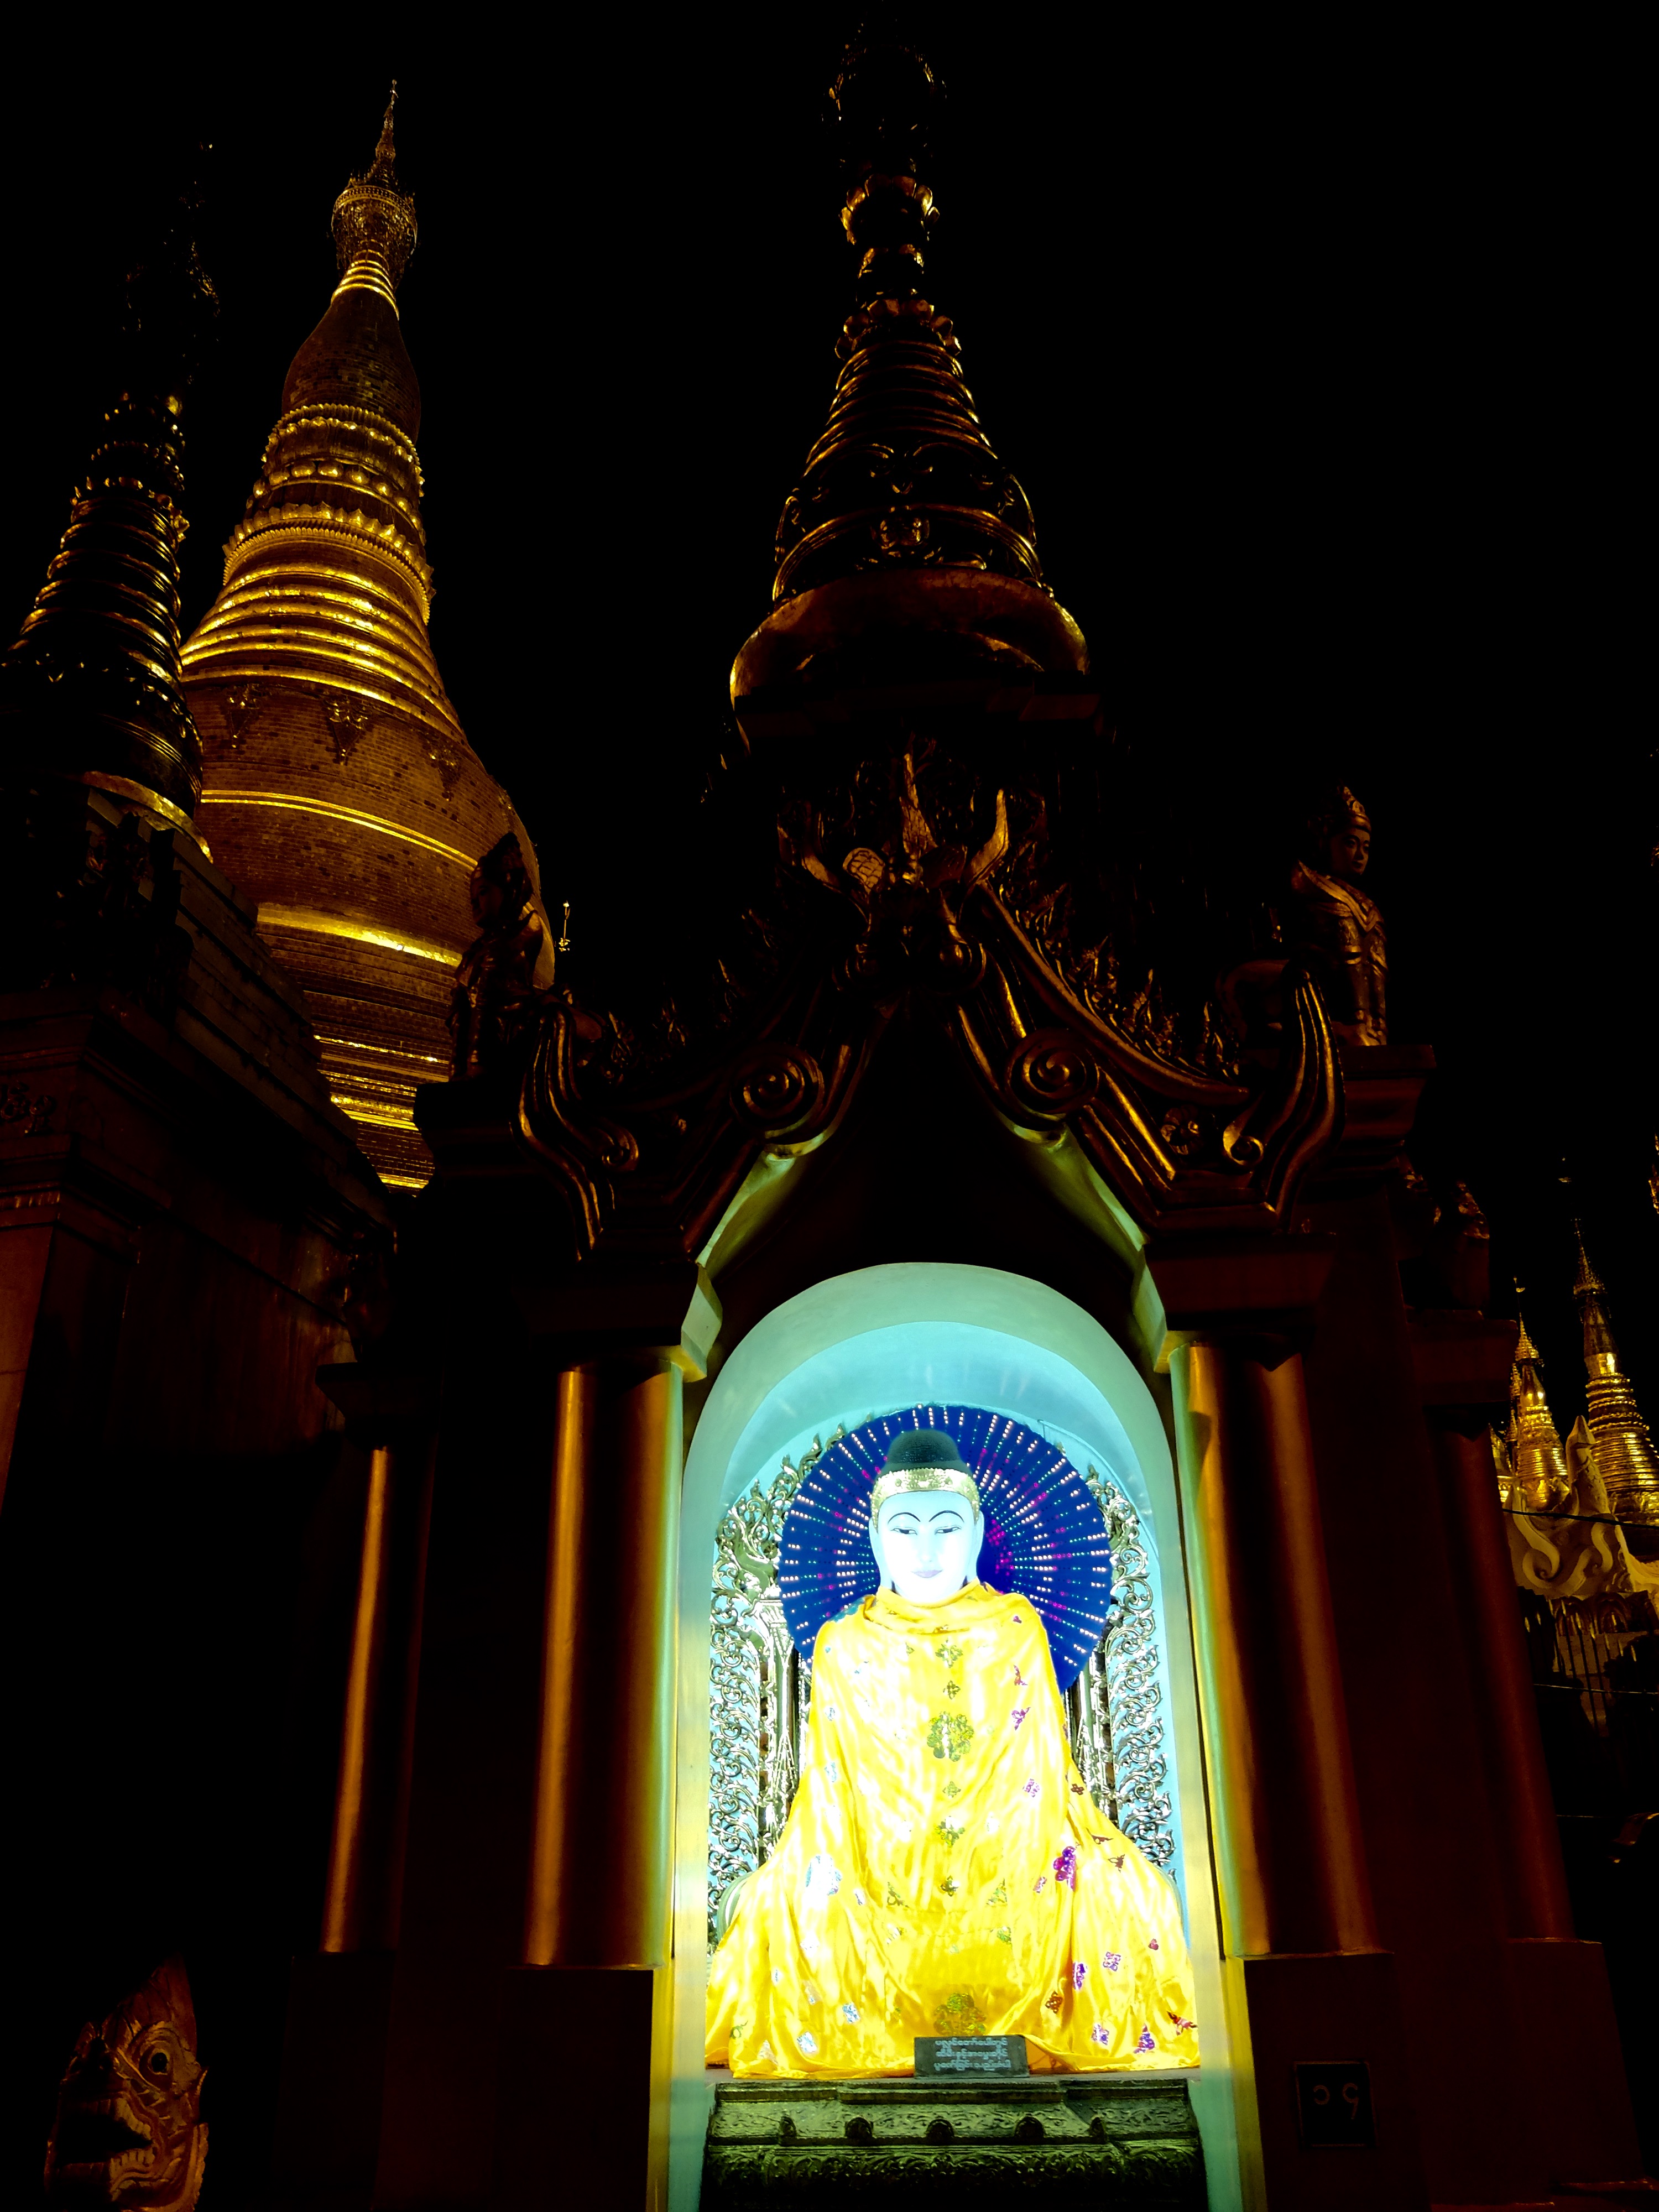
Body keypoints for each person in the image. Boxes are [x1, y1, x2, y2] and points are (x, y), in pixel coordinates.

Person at [706, 1428, 1198, 2075]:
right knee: (777, 1904)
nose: (926, 1550)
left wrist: (992, 1856)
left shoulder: (1017, 1629)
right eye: (904, 1529)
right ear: (877, 1540)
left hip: (1011, 1858)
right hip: (870, 1861)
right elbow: (830, 1791)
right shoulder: (842, 1644)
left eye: (946, 1527)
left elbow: (1043, 1778)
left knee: (1133, 1894)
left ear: (976, 1533)